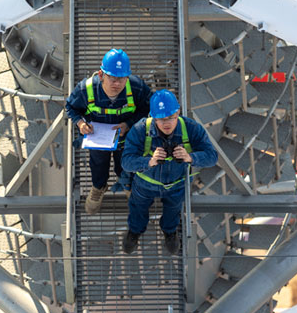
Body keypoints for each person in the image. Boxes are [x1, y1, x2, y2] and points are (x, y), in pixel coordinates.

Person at [121, 89, 218, 255]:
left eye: (171, 117)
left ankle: (169, 231)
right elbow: (126, 162)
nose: (167, 123)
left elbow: (212, 157)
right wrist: (149, 161)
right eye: (161, 119)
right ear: (153, 116)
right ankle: (135, 231)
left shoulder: (191, 129)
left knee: (173, 210)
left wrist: (190, 157)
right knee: (138, 208)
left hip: (175, 184)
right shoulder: (140, 130)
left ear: (178, 112)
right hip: (145, 184)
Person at [65, 49, 152, 214]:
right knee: (98, 165)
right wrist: (81, 123)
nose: (117, 84)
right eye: (112, 78)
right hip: (98, 139)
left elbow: (148, 109)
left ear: (128, 77)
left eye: (122, 79)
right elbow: (70, 107)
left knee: (125, 164)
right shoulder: (86, 89)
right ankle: (99, 187)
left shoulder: (136, 87)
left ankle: (127, 185)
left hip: (126, 138)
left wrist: (129, 123)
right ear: (101, 75)